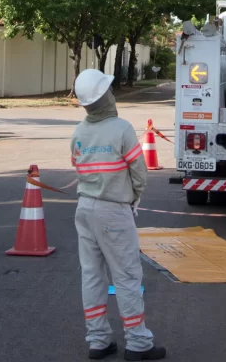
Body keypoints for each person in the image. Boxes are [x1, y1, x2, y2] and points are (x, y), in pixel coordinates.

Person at [71, 69, 166, 362]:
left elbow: (77, 163)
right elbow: (139, 173)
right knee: (126, 275)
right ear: (105, 97)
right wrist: (133, 198)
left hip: (84, 209)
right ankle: (138, 343)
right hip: (114, 210)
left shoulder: (79, 132)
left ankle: (98, 340)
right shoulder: (122, 129)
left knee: (92, 275)